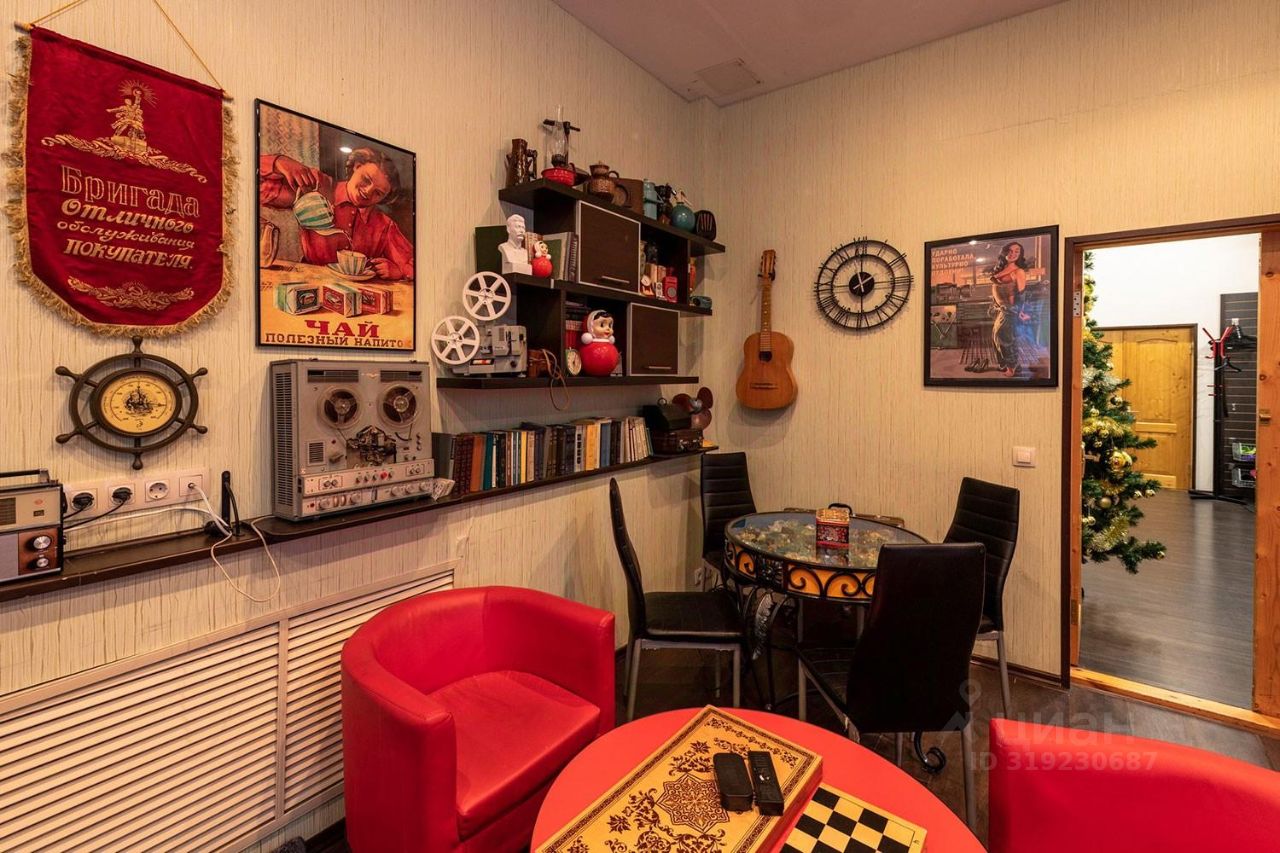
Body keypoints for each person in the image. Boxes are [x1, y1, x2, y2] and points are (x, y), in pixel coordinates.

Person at [259, 147, 413, 280]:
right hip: (312, 280)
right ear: (357, 166)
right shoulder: (316, 185)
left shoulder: (384, 225)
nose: (367, 191)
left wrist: (399, 272)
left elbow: (414, 263)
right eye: (366, 179)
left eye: (378, 193)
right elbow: (259, 187)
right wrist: (279, 162)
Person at [989, 241, 1030, 377]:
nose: (1013, 254)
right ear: (1004, 252)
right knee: (996, 336)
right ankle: (1007, 365)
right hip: (1002, 310)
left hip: (1011, 311)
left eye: (1017, 251)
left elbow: (1022, 294)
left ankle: (1011, 368)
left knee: (1005, 339)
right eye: (1010, 251)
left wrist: (1020, 312)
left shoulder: (1019, 271)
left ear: (1020, 254)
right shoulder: (1001, 270)